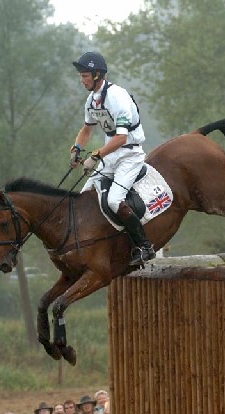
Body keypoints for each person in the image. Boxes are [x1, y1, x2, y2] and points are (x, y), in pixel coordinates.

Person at [70, 51, 156, 266]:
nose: (82, 80)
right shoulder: (92, 100)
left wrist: (96, 155)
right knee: (84, 197)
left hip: (129, 154)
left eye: (85, 75)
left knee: (114, 201)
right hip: (111, 154)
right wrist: (77, 148)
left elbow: (121, 138)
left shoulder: (118, 97)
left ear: (98, 75)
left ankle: (145, 247)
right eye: (81, 76)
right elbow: (87, 129)